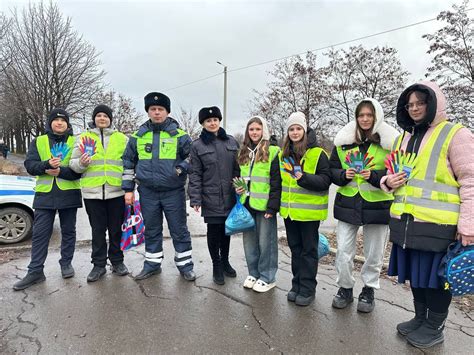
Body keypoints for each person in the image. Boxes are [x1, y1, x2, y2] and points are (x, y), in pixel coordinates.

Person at [380, 81, 474, 348]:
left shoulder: (455, 134)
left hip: (439, 224)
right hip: (407, 223)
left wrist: (468, 226)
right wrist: (388, 182)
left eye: (420, 102)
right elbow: (393, 174)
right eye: (409, 104)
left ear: (434, 103)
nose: (414, 108)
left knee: (435, 280)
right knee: (417, 276)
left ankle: (435, 326)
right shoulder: (402, 138)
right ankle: (420, 318)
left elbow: (471, 180)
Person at [329, 98, 399, 313]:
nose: (365, 119)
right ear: (356, 118)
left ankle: (368, 289)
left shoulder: (389, 143)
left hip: (377, 205)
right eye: (361, 115)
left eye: (369, 115)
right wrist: (343, 174)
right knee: (343, 251)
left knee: (373, 253)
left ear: (376, 117)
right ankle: (345, 288)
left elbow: (396, 172)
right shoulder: (344, 142)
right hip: (348, 203)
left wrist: (374, 176)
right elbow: (332, 169)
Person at [122, 92, 196, 281]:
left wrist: (181, 168)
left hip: (173, 192)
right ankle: (152, 265)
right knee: (152, 229)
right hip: (148, 192)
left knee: (179, 229)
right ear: (148, 111)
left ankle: (185, 265)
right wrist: (128, 190)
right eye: (153, 109)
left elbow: (193, 157)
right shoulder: (138, 137)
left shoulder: (180, 135)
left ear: (167, 111)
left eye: (160, 109)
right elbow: (128, 163)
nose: (156, 113)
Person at [13, 108, 82, 290]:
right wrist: (46, 165)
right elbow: (29, 165)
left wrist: (61, 171)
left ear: (68, 124)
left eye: (63, 120)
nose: (59, 123)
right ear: (50, 123)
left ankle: (66, 264)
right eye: (56, 120)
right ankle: (35, 271)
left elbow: (80, 171)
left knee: (68, 232)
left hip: (69, 193)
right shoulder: (39, 141)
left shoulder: (76, 142)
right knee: (40, 234)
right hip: (45, 195)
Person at [69, 104, 129, 282]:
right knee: (97, 230)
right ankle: (98, 265)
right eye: (99, 115)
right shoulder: (82, 138)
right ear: (94, 118)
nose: (102, 118)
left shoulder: (122, 139)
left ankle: (117, 261)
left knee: (116, 230)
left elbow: (130, 163)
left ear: (111, 119)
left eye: (105, 115)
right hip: (93, 193)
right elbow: (73, 163)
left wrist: (130, 188)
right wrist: (82, 163)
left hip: (116, 192)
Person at [280, 112, 331, 306]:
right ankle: (296, 284)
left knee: (308, 251)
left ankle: (308, 288)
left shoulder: (318, 154)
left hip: (309, 214)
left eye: (298, 128)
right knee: (295, 249)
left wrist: (303, 178)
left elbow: (326, 181)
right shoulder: (284, 155)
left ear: (305, 130)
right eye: (291, 129)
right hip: (290, 212)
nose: (294, 132)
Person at [188, 106, 240, 285]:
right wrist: (195, 198)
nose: (212, 123)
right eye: (208, 121)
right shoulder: (197, 145)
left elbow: (238, 170)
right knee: (214, 231)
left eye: (215, 120)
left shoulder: (232, 142)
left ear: (219, 121)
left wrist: (241, 190)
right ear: (203, 123)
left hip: (230, 196)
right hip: (210, 196)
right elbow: (194, 174)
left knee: (227, 231)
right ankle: (216, 264)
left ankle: (225, 261)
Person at [235, 115, 281, 292]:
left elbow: (276, 182)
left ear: (264, 131)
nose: (254, 132)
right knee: (250, 242)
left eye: (258, 129)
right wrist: (238, 189)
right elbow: (242, 177)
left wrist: (272, 206)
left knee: (266, 242)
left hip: (265, 207)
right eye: (251, 129)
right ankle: (253, 273)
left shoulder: (273, 151)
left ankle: (268, 276)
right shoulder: (244, 152)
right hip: (247, 204)